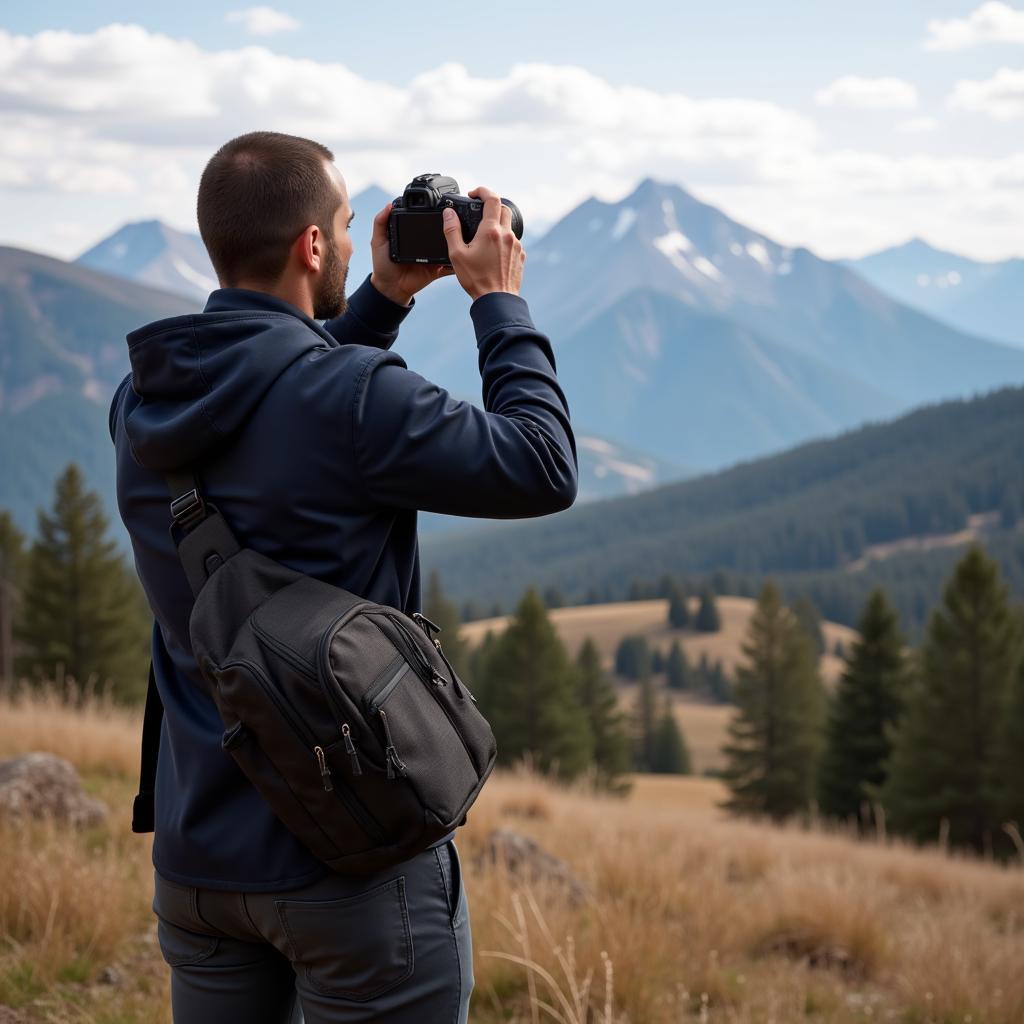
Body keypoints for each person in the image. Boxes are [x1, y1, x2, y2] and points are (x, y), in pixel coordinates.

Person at [108, 130, 578, 1023]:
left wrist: (384, 299)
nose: (357, 239)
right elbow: (542, 465)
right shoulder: (358, 399)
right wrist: (499, 305)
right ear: (313, 246)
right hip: (352, 869)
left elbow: (276, 397)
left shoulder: (144, 401)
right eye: (348, 224)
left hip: (199, 866)